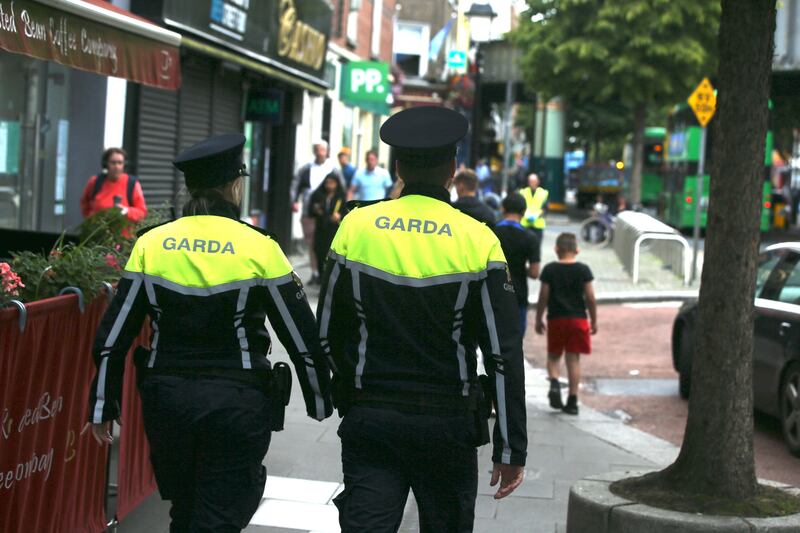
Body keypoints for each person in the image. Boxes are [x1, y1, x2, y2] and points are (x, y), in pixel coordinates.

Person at [85, 133, 333, 532]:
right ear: (235, 185)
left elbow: (114, 333)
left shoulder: (152, 244)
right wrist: (321, 397)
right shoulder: (259, 246)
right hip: (236, 401)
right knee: (222, 511)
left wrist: (102, 405)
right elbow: (301, 334)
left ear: (189, 186)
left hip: (167, 403)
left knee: (185, 509)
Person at [318, 106, 527, 532]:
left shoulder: (356, 227)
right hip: (447, 424)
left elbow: (326, 331)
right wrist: (510, 449)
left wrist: (342, 394)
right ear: (452, 169)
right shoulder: (479, 240)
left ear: (398, 166)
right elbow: (502, 354)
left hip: (371, 417)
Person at [534, 232, 597, 415]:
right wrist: (594, 319)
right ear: (577, 250)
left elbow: (543, 296)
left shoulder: (550, 269)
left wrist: (539, 317)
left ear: (556, 249)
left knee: (553, 356)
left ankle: (554, 382)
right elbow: (591, 298)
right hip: (578, 319)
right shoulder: (584, 270)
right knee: (573, 359)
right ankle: (572, 400)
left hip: (556, 319)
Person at [290, 140, 343, 285]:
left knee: (327, 244)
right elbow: (296, 184)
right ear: (314, 152)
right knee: (312, 244)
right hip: (310, 211)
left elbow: (342, 189)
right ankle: (315, 272)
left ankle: (325, 272)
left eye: (322, 150)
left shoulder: (333, 169)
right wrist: (293, 201)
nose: (320, 152)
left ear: (326, 151)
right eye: (317, 149)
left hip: (330, 215)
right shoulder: (306, 169)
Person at [493, 193, 541, 336]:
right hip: (517, 295)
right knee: (515, 342)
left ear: (503, 209)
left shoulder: (491, 232)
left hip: (492, 293)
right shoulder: (531, 238)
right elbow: (534, 273)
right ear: (524, 212)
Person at [80, 147, 148, 223]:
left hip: (123, 233)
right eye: (113, 162)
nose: (117, 166)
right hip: (98, 231)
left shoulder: (132, 184)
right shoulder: (95, 181)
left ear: (124, 165)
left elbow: (142, 212)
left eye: (120, 163)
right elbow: (84, 203)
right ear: (106, 164)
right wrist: (90, 219)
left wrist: (125, 211)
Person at [309, 171, 347, 268]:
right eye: (327, 183)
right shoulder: (318, 194)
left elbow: (346, 212)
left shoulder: (341, 196)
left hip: (334, 229)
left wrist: (340, 216)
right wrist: (316, 210)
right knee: (319, 251)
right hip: (321, 228)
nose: (329, 185)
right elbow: (310, 210)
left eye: (332, 183)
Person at [519, 172, 549, 242]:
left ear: (538, 182)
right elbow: (520, 206)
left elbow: (545, 208)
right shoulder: (523, 192)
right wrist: (526, 215)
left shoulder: (543, 193)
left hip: (538, 225)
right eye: (530, 181)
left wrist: (536, 216)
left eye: (534, 181)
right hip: (525, 224)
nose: (532, 183)